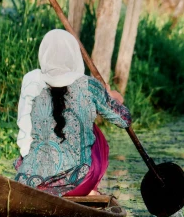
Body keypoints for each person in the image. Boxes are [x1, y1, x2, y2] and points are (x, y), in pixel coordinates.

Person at [13, 29, 131, 197]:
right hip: (76, 182)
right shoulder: (89, 85)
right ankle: (89, 190)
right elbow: (124, 119)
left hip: (30, 179)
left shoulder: (33, 82)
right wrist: (111, 97)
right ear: (74, 56)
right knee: (96, 134)